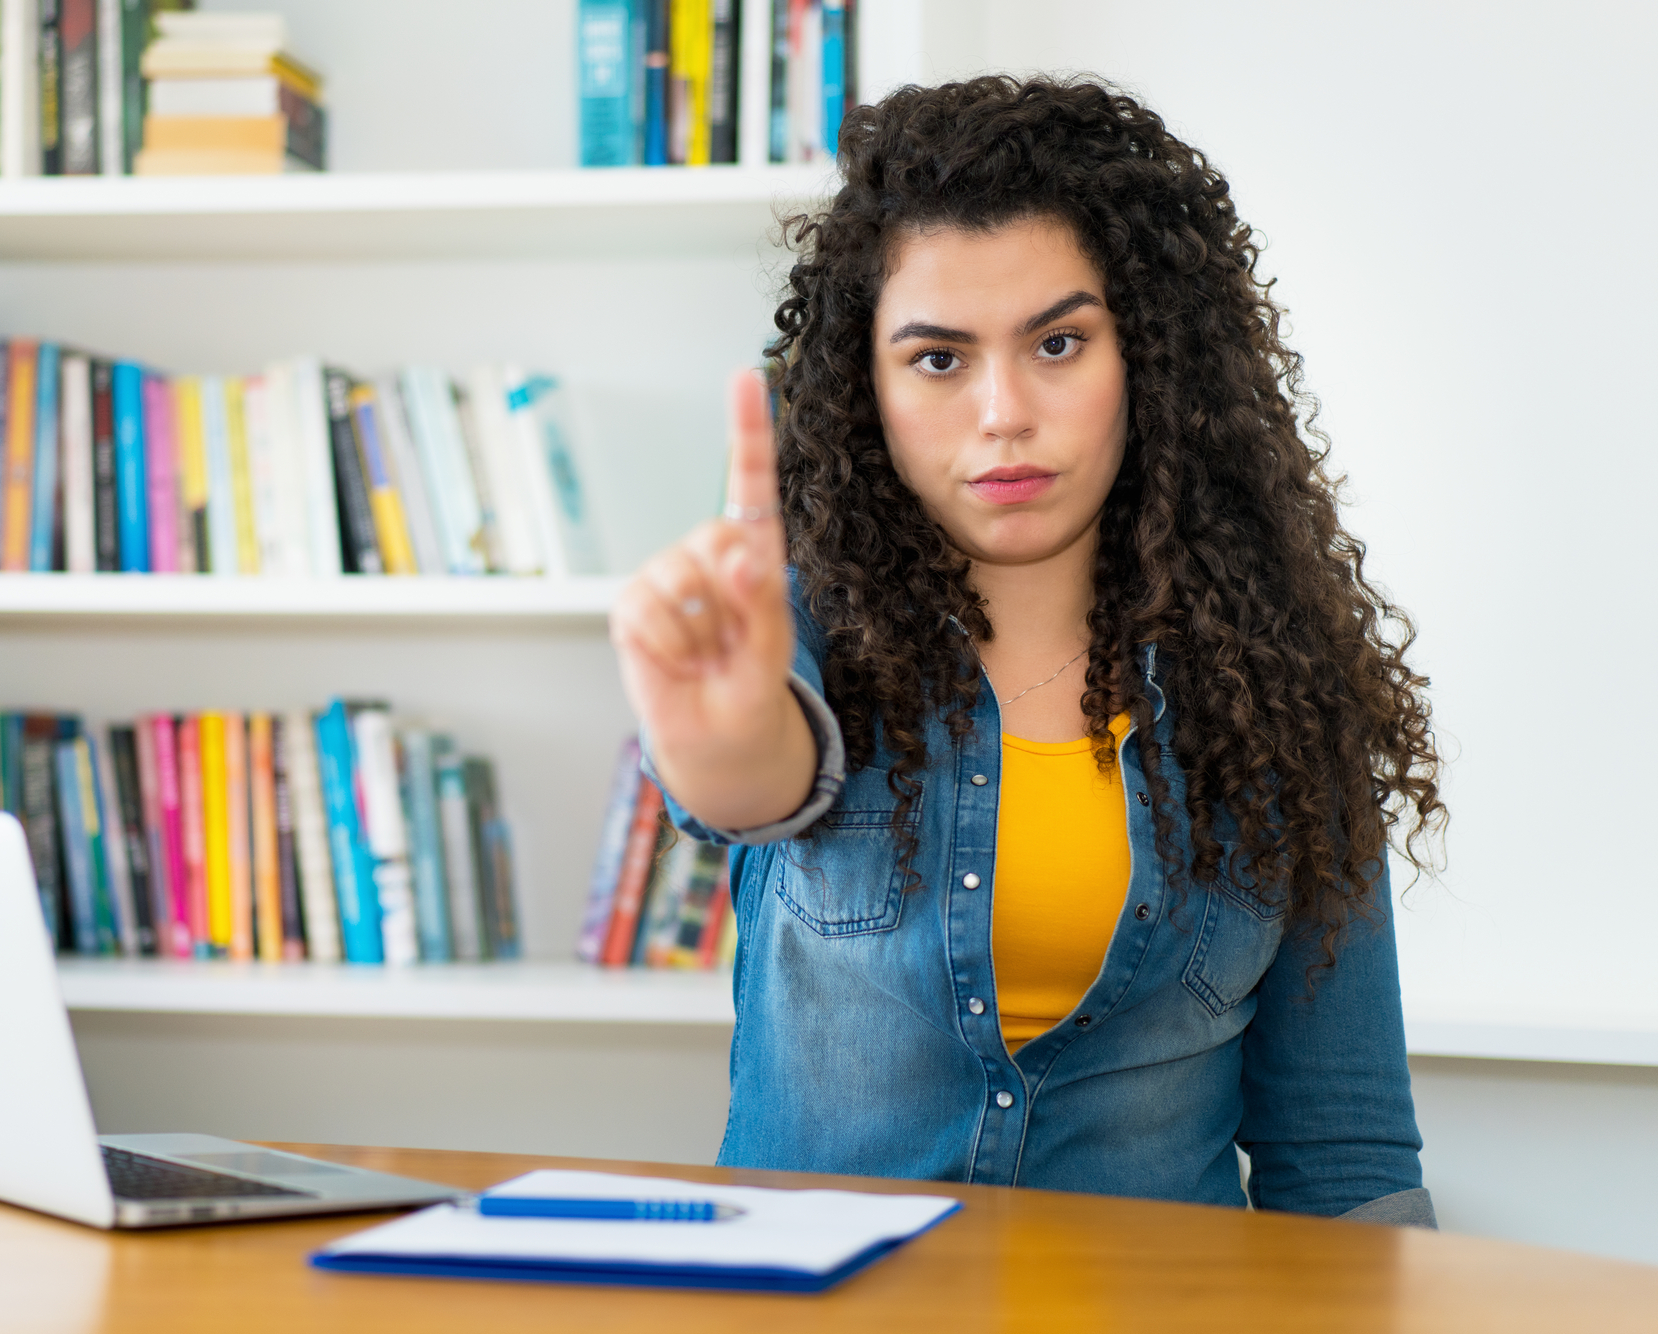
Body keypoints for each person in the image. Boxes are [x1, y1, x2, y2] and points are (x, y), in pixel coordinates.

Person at [609, 76, 1444, 1226]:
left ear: (1148, 358)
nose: (1002, 410)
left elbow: (1341, 1150)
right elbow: (755, 779)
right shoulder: (792, 633)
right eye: (938, 359)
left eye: (1057, 341)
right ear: (870, 391)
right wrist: (720, 729)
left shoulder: (1279, 686)